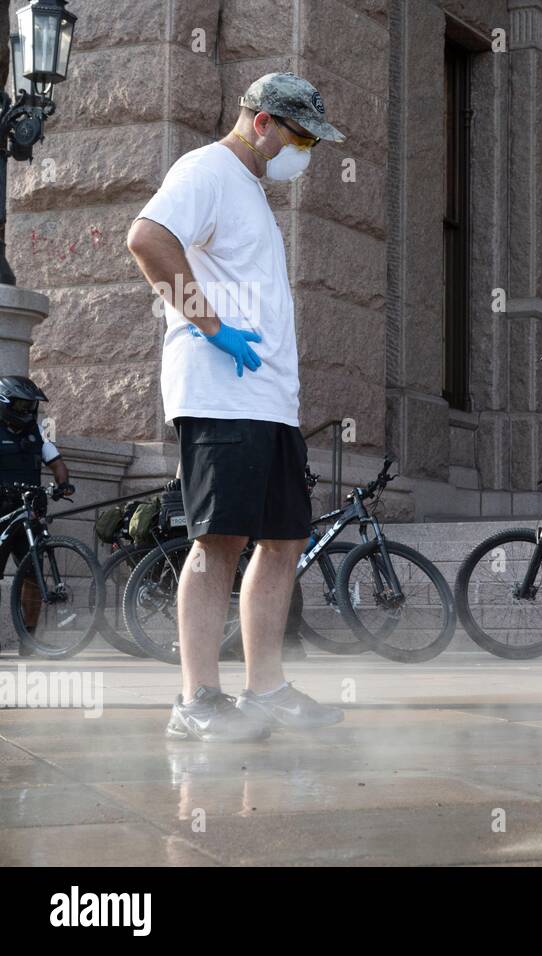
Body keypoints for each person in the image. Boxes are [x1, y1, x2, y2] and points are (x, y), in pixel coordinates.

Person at [127, 73, 346, 741]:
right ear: (263, 124)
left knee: (282, 542)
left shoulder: (248, 190)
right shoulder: (208, 170)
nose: (304, 153)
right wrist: (213, 326)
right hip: (222, 394)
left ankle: (265, 690)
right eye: (301, 137)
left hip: (269, 402)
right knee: (217, 541)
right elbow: (147, 238)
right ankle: (195, 702)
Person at [0, 376, 74, 656]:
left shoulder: (35, 432)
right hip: (2, 511)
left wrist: (63, 483)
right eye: (21, 404)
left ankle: (28, 641)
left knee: (32, 576)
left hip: (29, 514)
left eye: (31, 405)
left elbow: (57, 463)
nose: (28, 410)